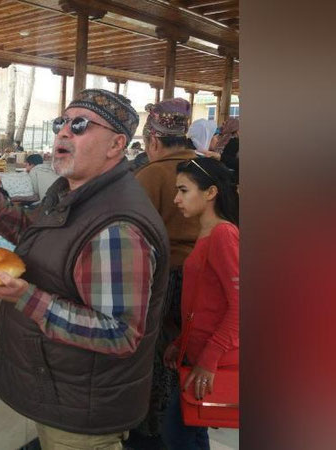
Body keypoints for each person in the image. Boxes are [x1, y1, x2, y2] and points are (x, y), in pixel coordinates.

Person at [0, 89, 170, 449]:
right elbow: (37, 238)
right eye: (60, 122)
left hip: (86, 412)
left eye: (79, 125)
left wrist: (26, 298)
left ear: (116, 144)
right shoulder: (71, 193)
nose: (63, 132)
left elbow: (119, 333)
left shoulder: (117, 228)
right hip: (64, 391)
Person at [129, 98, 201, 448]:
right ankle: (189, 421)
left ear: (152, 141)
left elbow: (134, 235)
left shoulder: (150, 174)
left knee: (157, 353)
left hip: (167, 277)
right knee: (189, 353)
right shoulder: (209, 169)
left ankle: (154, 431)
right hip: (206, 276)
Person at [162, 157, 239, 449]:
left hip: (212, 360)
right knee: (188, 432)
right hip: (197, 354)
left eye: (183, 190)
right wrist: (182, 342)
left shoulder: (223, 235)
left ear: (210, 193)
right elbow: (206, 303)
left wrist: (208, 361)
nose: (176, 199)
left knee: (180, 436)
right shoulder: (206, 234)